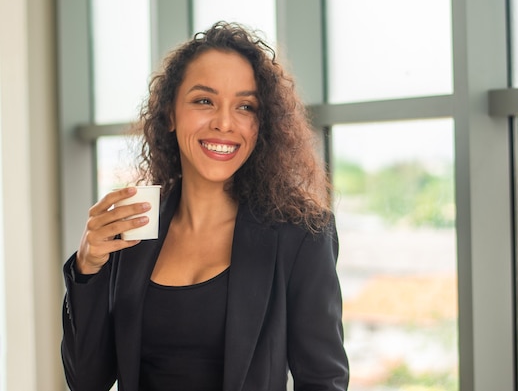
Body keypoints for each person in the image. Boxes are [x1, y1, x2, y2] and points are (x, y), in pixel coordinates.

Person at [61, 21, 349, 391]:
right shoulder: (134, 225)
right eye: (204, 101)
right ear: (169, 113)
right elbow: (87, 380)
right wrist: (88, 267)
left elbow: (323, 381)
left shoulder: (301, 234)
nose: (225, 123)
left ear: (262, 124)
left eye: (245, 106)